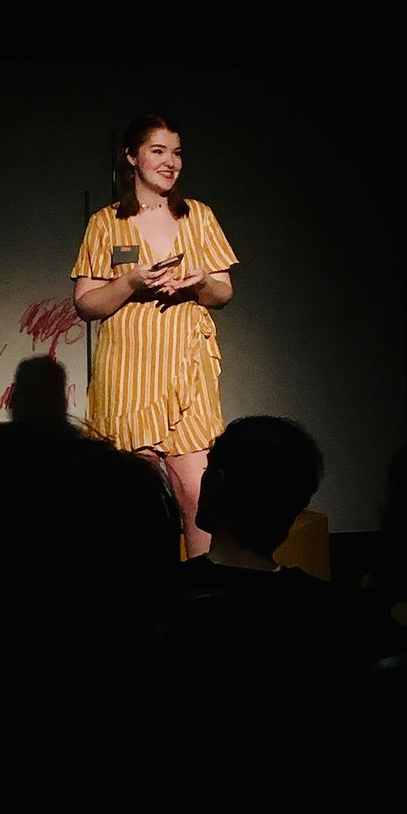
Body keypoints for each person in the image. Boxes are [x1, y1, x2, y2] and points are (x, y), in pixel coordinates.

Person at [71, 113, 238, 557]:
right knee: (137, 500)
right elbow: (86, 304)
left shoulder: (198, 216)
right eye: (158, 151)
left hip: (187, 368)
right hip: (129, 373)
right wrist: (130, 283)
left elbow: (223, 293)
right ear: (132, 157)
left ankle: (204, 596)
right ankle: (143, 602)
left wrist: (199, 282)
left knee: (197, 492)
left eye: (177, 152)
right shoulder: (107, 223)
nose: (171, 162)